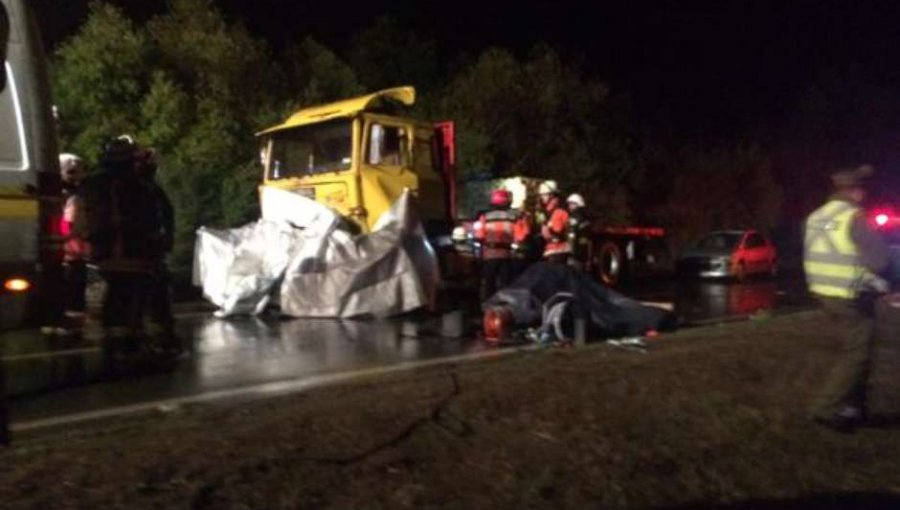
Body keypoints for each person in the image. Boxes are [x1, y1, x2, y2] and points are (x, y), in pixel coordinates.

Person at [804, 164, 890, 432]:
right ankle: (826, 407)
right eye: (862, 191)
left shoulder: (817, 216)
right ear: (855, 191)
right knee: (857, 351)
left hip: (823, 292)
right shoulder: (853, 216)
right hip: (848, 294)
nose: (864, 196)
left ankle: (853, 408)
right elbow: (879, 260)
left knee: (853, 349)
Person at [78, 135, 162, 363]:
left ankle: (113, 342)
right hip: (131, 252)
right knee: (131, 297)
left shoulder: (92, 184)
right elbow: (149, 220)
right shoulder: (136, 186)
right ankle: (130, 344)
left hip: (103, 253)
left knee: (114, 295)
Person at [134, 147, 180, 354]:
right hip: (147, 254)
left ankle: (150, 338)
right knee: (155, 296)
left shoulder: (143, 188)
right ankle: (160, 339)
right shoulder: (145, 190)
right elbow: (162, 218)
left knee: (147, 297)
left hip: (142, 253)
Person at [473, 189, 531, 300]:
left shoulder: (485, 216)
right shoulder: (514, 217)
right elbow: (522, 235)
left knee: (489, 285)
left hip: (489, 256)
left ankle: (488, 309)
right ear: (507, 202)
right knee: (506, 285)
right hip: (506, 256)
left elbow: (479, 236)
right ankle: (503, 310)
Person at [59, 153, 90, 332]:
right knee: (74, 296)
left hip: (66, 253)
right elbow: (67, 225)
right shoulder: (73, 197)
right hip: (71, 254)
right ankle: (72, 331)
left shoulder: (62, 194)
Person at [538, 181, 571, 264]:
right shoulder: (549, 213)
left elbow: (556, 232)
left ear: (552, 195)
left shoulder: (558, 212)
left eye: (544, 195)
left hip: (558, 252)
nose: (542, 198)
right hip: (551, 251)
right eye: (541, 195)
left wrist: (548, 227)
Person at [566, 193, 591, 271]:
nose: (569, 206)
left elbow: (571, 236)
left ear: (577, 204)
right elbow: (588, 240)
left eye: (571, 204)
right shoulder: (586, 218)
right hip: (584, 254)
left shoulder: (573, 218)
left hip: (575, 255)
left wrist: (569, 252)